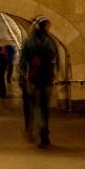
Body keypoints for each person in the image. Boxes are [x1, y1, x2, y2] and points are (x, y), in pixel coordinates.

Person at [21, 15, 59, 148]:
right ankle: (45, 136)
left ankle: (36, 131)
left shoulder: (30, 40)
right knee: (44, 108)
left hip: (34, 78)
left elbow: (23, 60)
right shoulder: (50, 41)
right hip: (47, 78)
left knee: (35, 106)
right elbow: (55, 57)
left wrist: (24, 75)